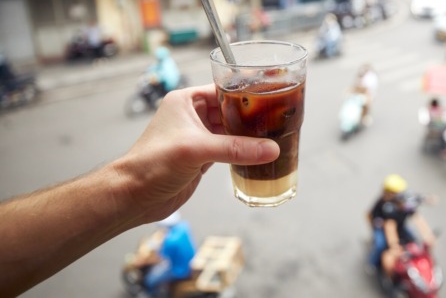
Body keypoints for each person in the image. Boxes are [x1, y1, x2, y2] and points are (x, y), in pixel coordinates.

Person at [0, 84, 280, 297]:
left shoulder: (169, 240)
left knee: (154, 282)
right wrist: (133, 187)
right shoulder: (181, 231)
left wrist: (133, 188)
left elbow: (156, 255)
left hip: (178, 270)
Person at [376, 177, 436, 280]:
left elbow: (419, 219)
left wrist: (428, 235)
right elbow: (390, 228)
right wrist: (394, 246)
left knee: (415, 243)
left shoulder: (408, 202)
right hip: (384, 228)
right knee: (380, 246)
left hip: (401, 228)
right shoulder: (389, 208)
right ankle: (374, 265)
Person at [137, 212, 197, 296]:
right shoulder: (184, 226)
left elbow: (160, 258)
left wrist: (144, 261)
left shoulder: (170, 242)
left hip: (179, 270)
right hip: (191, 258)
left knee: (150, 280)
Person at [367, 174, 407, 272]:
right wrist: (377, 223)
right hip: (381, 227)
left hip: (396, 225)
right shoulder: (381, 203)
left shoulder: (399, 203)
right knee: (380, 244)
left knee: (410, 236)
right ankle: (372, 263)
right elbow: (371, 215)